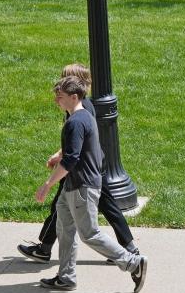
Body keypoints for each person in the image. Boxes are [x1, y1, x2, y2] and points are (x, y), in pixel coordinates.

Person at [34, 74, 147, 293]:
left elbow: (71, 159)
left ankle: (133, 262)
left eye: (60, 97)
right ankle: (66, 277)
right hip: (73, 186)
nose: (57, 101)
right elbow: (74, 153)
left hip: (83, 185)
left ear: (74, 96)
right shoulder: (82, 117)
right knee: (64, 228)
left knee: (90, 233)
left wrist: (47, 185)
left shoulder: (76, 122)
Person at [18, 64, 138, 264]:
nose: (59, 91)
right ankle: (128, 248)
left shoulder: (81, 110)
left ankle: (128, 256)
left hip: (82, 169)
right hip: (90, 165)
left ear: (74, 87)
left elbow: (78, 141)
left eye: (64, 82)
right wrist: (60, 154)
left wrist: (50, 181)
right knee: (96, 207)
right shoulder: (80, 107)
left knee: (86, 228)